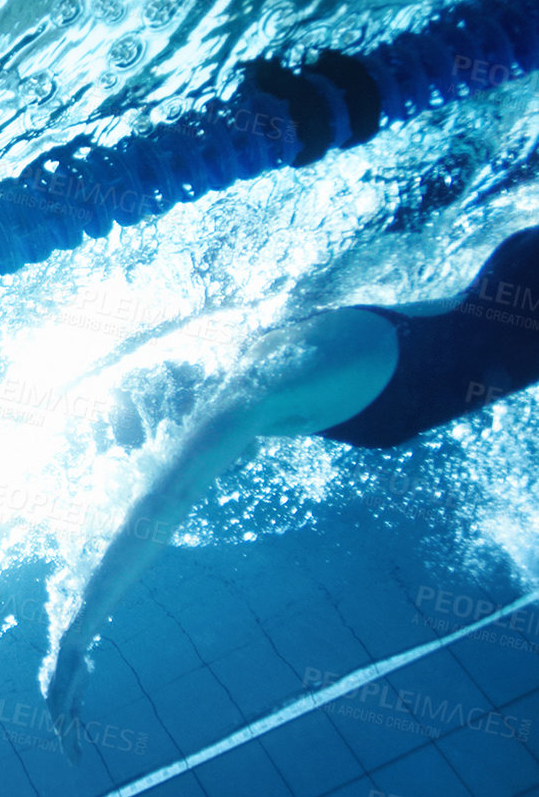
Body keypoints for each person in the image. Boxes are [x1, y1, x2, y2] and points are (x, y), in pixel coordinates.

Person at [42, 226, 539, 762]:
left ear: (179, 426)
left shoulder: (254, 396)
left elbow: (164, 500)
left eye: (175, 447)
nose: (197, 458)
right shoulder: (275, 351)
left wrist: (76, 638)